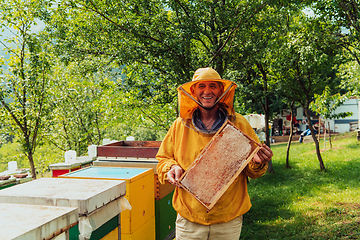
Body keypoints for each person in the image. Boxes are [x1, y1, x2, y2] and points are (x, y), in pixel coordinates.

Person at [156, 67, 273, 240]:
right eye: (201, 86)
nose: (207, 91)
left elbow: (253, 171)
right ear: (193, 92)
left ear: (221, 90)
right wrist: (171, 167)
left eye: (213, 86)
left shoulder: (239, 123)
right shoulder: (180, 126)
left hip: (228, 220)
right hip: (189, 220)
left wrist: (258, 162)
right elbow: (163, 160)